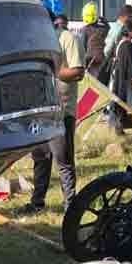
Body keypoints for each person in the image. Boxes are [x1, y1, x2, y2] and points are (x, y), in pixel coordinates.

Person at [22, 11, 85, 215]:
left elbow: (78, 72)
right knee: (40, 158)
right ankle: (37, 203)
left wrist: (50, 71)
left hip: (61, 111)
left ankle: (70, 208)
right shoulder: (36, 42)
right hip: (40, 110)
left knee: (64, 161)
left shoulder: (68, 39)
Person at [108, 20, 132, 134]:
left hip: (120, 79)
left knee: (122, 102)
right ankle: (119, 127)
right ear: (130, 31)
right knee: (122, 102)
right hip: (122, 80)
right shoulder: (127, 46)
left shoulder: (122, 44)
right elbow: (131, 64)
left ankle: (124, 124)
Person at [81, 2, 110, 80]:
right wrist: (103, 20)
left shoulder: (85, 29)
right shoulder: (104, 28)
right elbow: (107, 26)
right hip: (102, 60)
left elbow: (83, 47)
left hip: (89, 61)